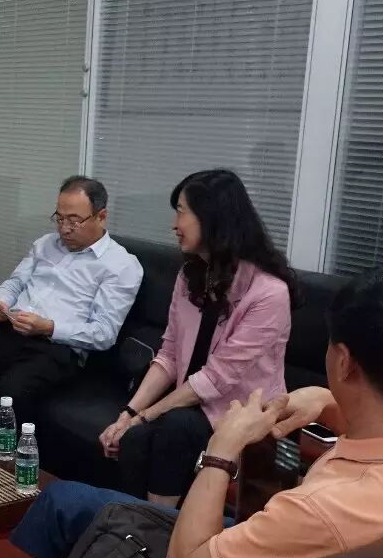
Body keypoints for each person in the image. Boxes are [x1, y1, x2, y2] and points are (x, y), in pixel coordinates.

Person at [11, 266, 383, 558]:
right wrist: (327, 402)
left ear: (344, 361)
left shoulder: (322, 508)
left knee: (61, 501)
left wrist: (221, 450)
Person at [98, 169, 299, 505]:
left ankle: (157, 526)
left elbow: (215, 380)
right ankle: (133, 524)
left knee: (176, 427)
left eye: (181, 212)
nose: (174, 225)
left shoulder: (269, 293)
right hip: (190, 408)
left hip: (242, 417)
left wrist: (146, 415)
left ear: (212, 217)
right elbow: (169, 354)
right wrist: (128, 414)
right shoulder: (191, 275)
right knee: (133, 439)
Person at [0, 176, 143, 426]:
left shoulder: (121, 266)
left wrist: (48, 327)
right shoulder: (45, 244)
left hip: (55, 350)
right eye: (60, 218)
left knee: (6, 398)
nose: (64, 229)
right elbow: (15, 283)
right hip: (7, 332)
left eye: (74, 221)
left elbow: (104, 333)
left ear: (101, 216)